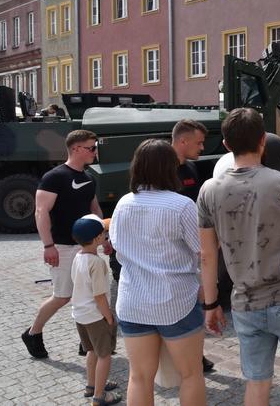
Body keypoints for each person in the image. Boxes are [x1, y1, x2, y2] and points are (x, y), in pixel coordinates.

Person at [198, 108, 280, 405]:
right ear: (262, 141)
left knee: (256, 382)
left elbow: (207, 255)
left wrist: (211, 304)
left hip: (245, 303)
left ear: (226, 145)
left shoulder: (209, 190)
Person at [110, 139, 205, 406]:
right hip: (177, 300)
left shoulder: (123, 204)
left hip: (133, 301)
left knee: (139, 377)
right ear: (170, 167)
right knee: (191, 374)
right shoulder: (182, 205)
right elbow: (203, 250)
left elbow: (116, 245)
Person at [22, 129, 104, 359]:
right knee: (62, 296)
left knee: (89, 294)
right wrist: (48, 246)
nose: (95, 152)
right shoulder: (54, 177)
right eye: (91, 147)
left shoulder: (89, 178)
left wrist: (104, 237)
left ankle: (86, 342)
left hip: (87, 247)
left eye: (95, 147)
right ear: (76, 148)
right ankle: (33, 333)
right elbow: (41, 212)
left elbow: (95, 210)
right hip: (62, 246)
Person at [171, 119, 215, 373]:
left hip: (193, 247)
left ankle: (196, 354)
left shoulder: (190, 168)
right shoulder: (161, 171)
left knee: (195, 301)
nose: (202, 147)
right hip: (172, 250)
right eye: (198, 143)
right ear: (183, 141)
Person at [70, 215, 122, 406]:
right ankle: (99, 396)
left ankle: (91, 385)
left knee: (91, 351)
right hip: (96, 316)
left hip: (80, 314)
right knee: (105, 355)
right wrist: (109, 317)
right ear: (97, 238)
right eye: (103, 234)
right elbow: (99, 296)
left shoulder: (77, 257)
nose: (105, 236)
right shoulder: (97, 263)